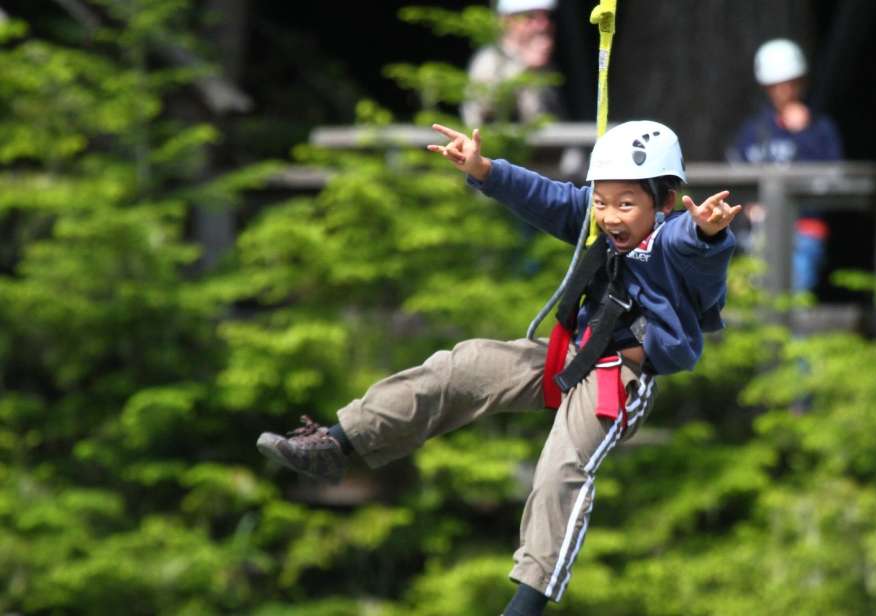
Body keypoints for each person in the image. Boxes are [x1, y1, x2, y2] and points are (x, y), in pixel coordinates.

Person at [256, 120, 739, 615]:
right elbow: (544, 196)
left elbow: (696, 250)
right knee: (462, 367)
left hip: (616, 378)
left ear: (662, 202)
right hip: (570, 356)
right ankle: (339, 441)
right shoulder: (593, 222)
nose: (610, 216)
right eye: (602, 200)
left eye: (626, 204)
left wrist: (707, 232)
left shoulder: (675, 239)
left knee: (561, 466)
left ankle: (527, 604)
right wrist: (484, 169)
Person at [727, 38, 844, 293]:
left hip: (803, 230)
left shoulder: (820, 129)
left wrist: (804, 133)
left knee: (795, 298)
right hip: (758, 232)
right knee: (756, 301)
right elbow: (735, 174)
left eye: (790, 83)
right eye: (776, 85)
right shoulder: (753, 130)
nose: (783, 91)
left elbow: (834, 176)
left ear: (801, 82)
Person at [462, 0, 566, 128]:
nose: (543, 25)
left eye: (547, 17)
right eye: (530, 17)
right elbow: (486, 110)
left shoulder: (547, 64)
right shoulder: (490, 59)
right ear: (506, 21)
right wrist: (525, 69)